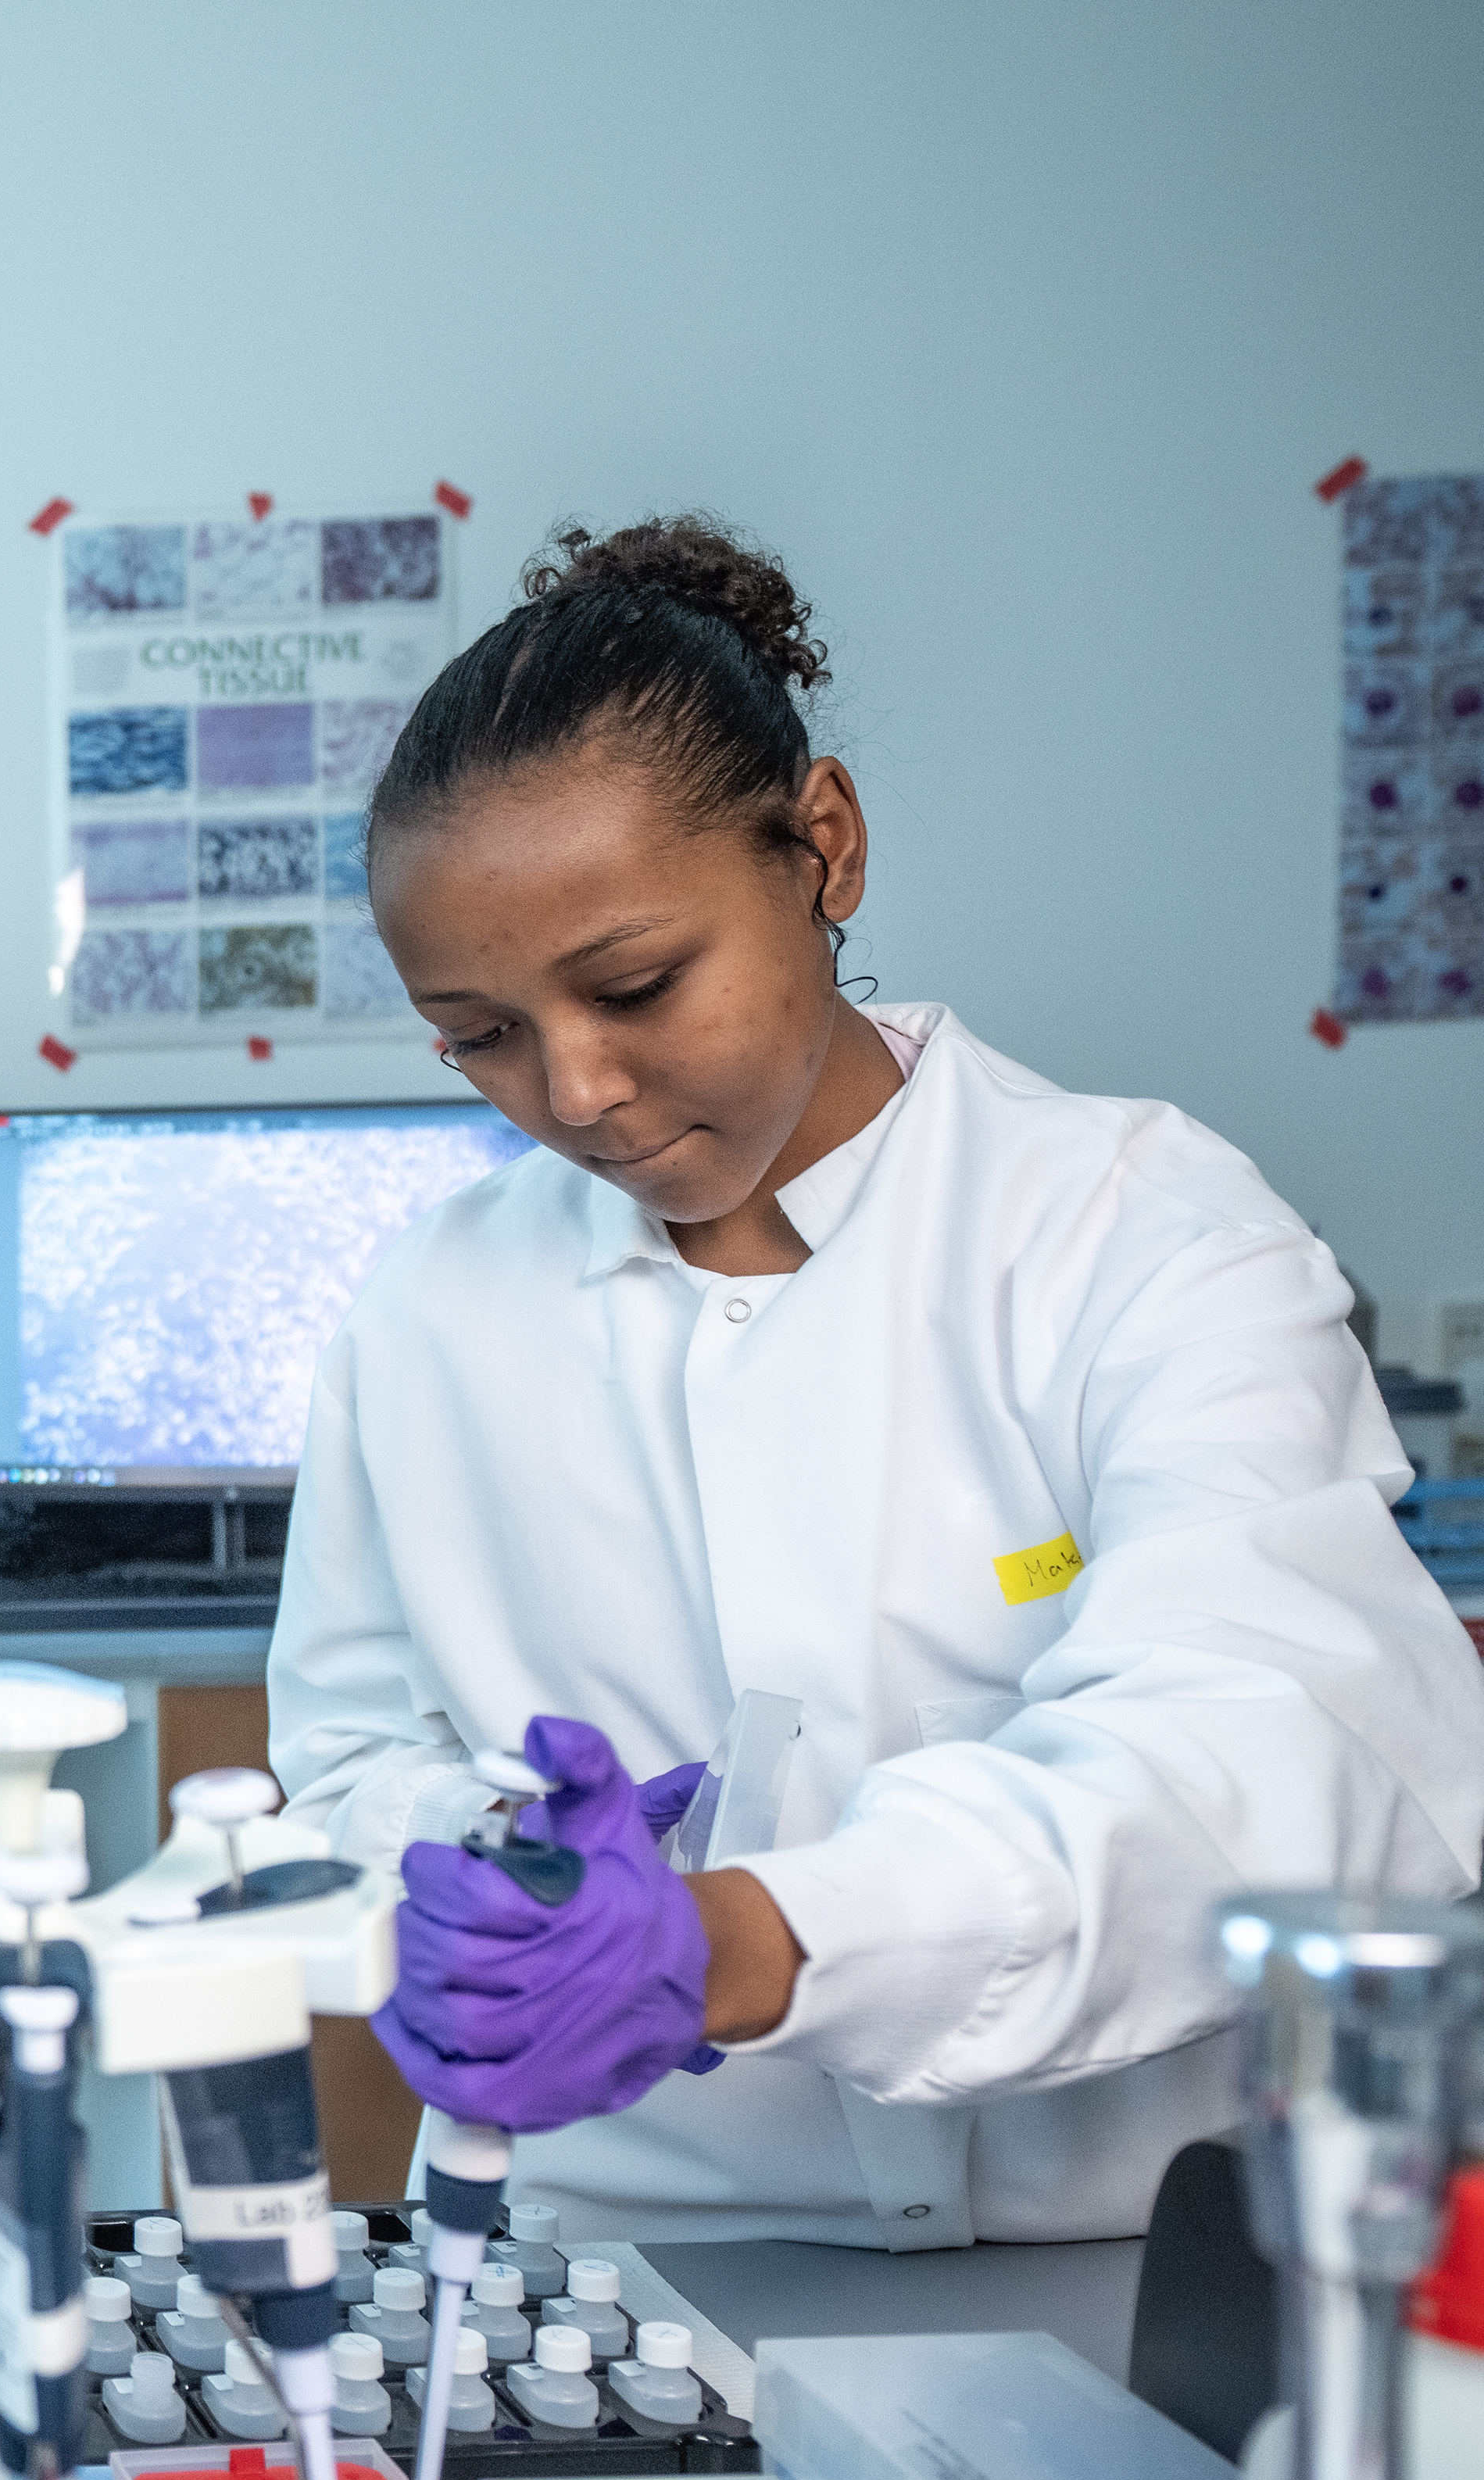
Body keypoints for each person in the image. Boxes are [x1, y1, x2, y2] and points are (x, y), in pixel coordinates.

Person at [275, 519, 1484, 2247]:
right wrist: (505, 1856)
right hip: (628, 2268)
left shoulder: (1138, 1232)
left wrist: (742, 1941)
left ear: (822, 849)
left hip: (1136, 2266)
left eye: (635, 984)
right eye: (479, 1035)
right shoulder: (430, 1309)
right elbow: (342, 1765)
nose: (580, 1087)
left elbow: (1258, 1738)